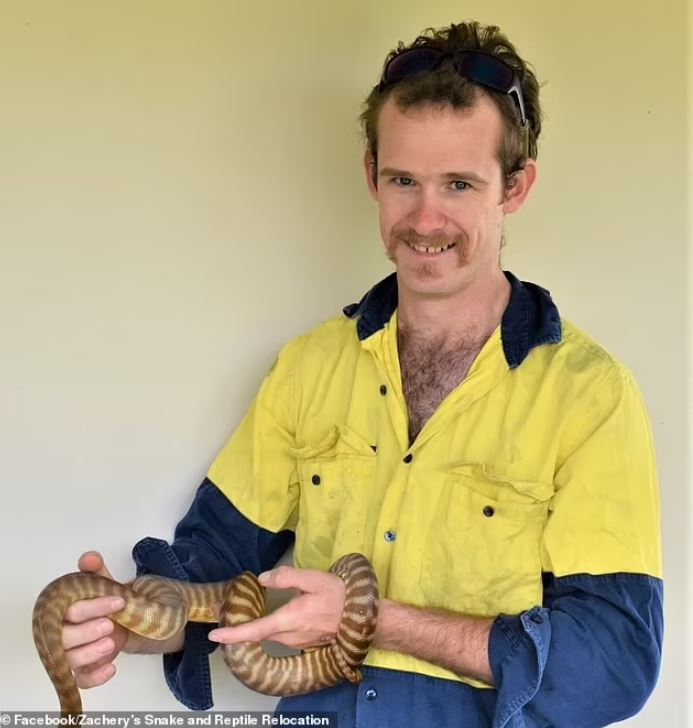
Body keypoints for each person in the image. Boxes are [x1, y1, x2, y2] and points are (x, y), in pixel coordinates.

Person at [60, 20, 663, 728]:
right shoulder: (310, 367)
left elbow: (612, 666)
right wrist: (133, 621)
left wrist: (372, 618)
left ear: (515, 187)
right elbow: (210, 570)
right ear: (371, 174)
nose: (425, 217)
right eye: (403, 180)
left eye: (459, 184)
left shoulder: (587, 395)